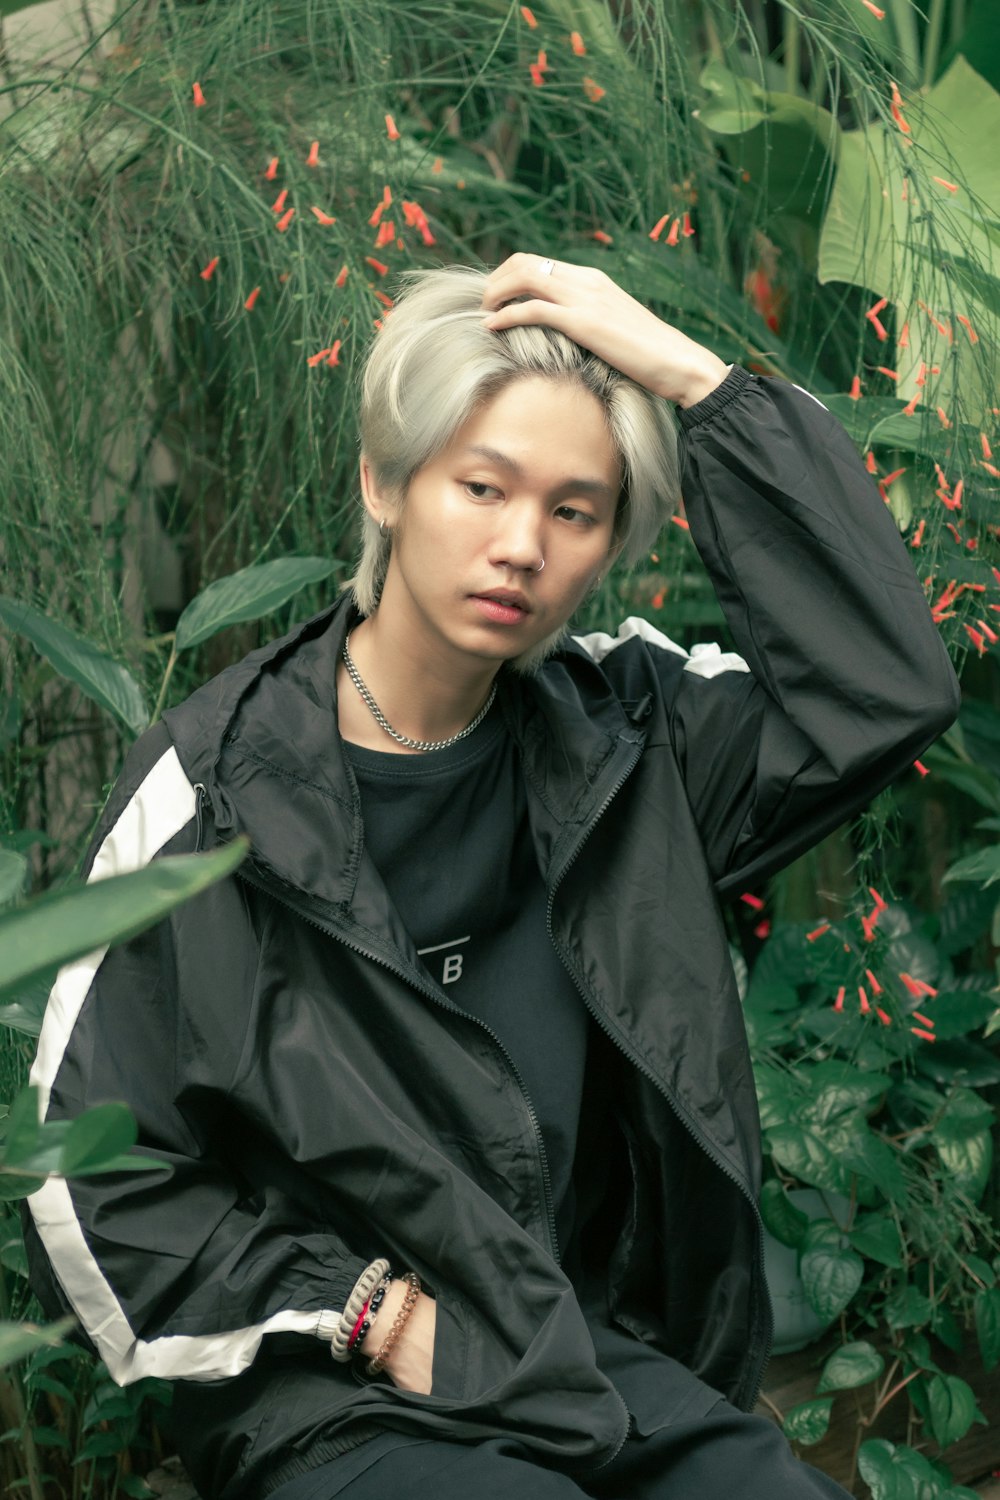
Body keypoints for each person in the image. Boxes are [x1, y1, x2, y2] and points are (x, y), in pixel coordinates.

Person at [25, 253, 960, 1500]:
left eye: (575, 511)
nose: (521, 545)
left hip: (578, 1352)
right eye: (481, 487)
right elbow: (85, 1174)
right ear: (386, 483)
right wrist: (367, 1315)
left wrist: (692, 379)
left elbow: (883, 691)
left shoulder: (629, 741)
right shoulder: (216, 793)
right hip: (332, 1398)